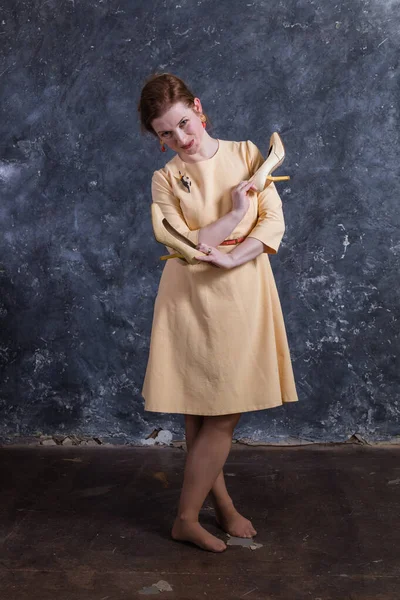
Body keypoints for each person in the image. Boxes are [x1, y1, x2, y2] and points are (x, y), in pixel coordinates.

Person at [138, 73, 298, 553]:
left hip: (243, 287)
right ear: (157, 137)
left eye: (184, 123)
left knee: (221, 412)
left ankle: (210, 510)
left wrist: (232, 254)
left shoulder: (249, 155)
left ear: (199, 108)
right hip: (189, 295)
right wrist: (230, 217)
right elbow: (183, 242)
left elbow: (273, 220)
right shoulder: (164, 179)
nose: (180, 139)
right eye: (165, 133)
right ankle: (192, 516)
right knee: (201, 410)